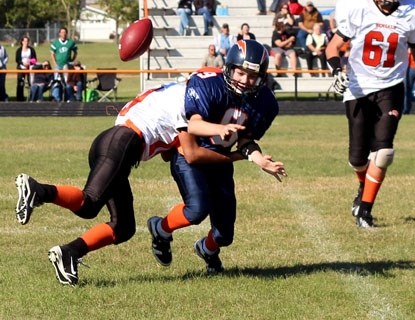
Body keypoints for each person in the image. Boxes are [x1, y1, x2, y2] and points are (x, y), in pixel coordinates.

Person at [14, 80, 241, 285]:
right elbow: (190, 153)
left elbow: (167, 148)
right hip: (122, 144)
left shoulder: (170, 93)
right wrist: (238, 155)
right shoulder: (185, 102)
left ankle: (69, 252)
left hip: (116, 145)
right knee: (89, 204)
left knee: (123, 228)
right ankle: (39, 191)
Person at [146, 40, 286, 274]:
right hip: (191, 156)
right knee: (196, 210)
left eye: (252, 75)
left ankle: (207, 249)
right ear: (230, 68)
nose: (245, 80)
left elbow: (244, 139)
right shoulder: (209, 83)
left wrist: (258, 159)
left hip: (219, 160)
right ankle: (160, 228)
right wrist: (218, 129)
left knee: (224, 234)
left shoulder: (266, 102)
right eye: (241, 72)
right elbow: (193, 123)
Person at [325, 0, 415, 228]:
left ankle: (365, 211)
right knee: (357, 159)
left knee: (383, 152)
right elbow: (332, 47)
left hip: (391, 86)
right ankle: (363, 188)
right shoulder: (357, 7)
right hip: (358, 87)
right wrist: (338, 71)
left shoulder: (412, 14)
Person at [15, 35, 37, 102]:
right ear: (22, 42)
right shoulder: (19, 50)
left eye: (27, 41)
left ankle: (32, 98)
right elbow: (17, 59)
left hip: (30, 68)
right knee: (20, 83)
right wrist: (22, 63)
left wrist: (30, 63)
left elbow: (34, 59)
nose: (26, 42)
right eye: (24, 41)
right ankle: (20, 99)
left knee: (31, 83)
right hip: (21, 68)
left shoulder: (31, 49)